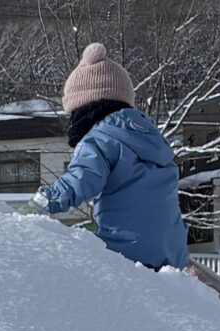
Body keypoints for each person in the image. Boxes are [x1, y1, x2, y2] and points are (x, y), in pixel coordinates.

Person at [30, 42, 189, 271]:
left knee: (61, 263)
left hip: (126, 250)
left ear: (84, 107)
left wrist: (43, 202)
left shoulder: (102, 138)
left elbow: (81, 178)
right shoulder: (153, 138)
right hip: (173, 252)